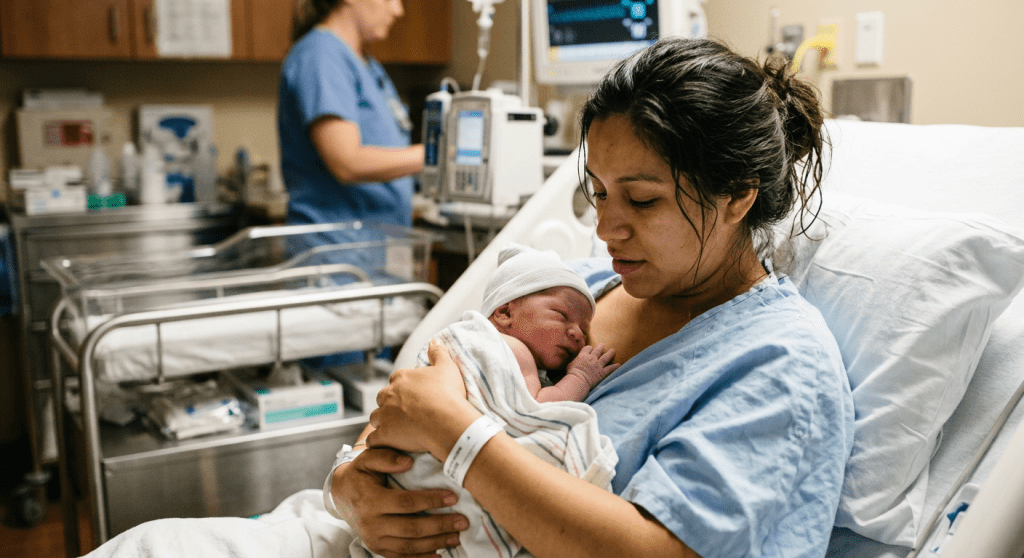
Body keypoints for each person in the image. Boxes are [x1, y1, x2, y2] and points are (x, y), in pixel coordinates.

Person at [329, 37, 856, 558]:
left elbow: (657, 549)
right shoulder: (572, 290)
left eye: (643, 200)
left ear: (739, 196)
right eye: (598, 193)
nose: (605, 229)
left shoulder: (782, 361)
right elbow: (414, 401)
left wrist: (454, 433)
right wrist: (349, 488)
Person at [331, 243, 622, 557]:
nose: (578, 334)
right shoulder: (509, 349)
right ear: (505, 313)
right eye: (563, 316)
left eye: (583, 328)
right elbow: (536, 409)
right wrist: (580, 377)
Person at [278, 0, 423, 232]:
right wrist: (431, 157)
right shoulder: (321, 56)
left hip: (375, 245)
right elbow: (346, 162)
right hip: (337, 249)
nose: (398, 10)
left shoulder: (367, 65)